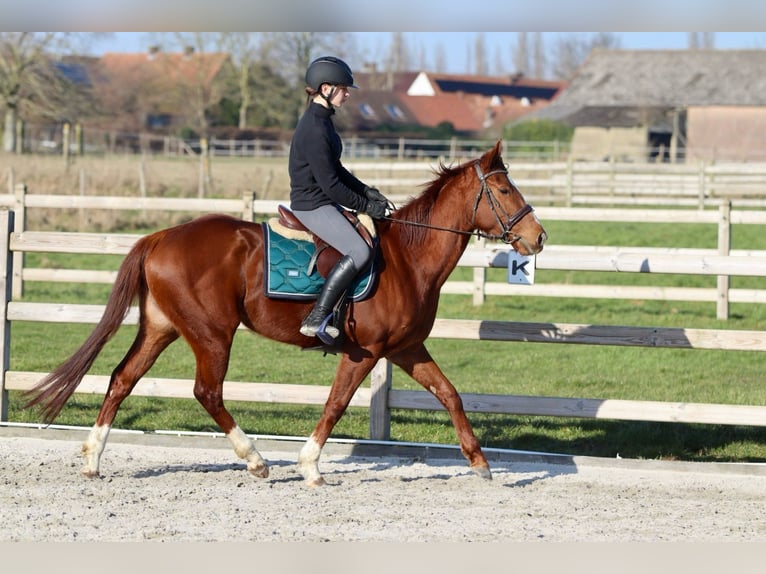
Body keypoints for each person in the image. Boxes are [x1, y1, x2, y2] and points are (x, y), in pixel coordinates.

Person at [288, 56, 389, 341]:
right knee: (359, 252)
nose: (347, 93)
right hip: (313, 205)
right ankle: (318, 315)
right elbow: (331, 185)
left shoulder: (323, 122)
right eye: (343, 88)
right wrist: (365, 206)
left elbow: (337, 169)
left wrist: (365, 190)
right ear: (325, 88)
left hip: (323, 200)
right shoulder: (314, 129)